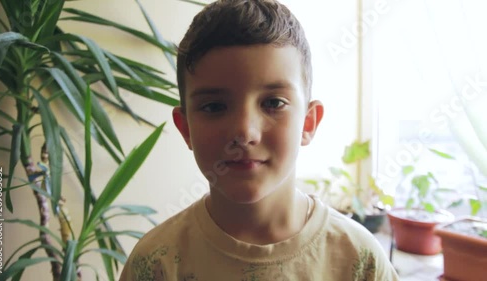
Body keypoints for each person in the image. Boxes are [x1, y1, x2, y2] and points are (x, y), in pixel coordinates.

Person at [120, 0, 399, 280]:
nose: (244, 132)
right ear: (186, 129)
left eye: (273, 103)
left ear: (308, 122)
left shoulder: (359, 260)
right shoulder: (155, 263)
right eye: (214, 107)